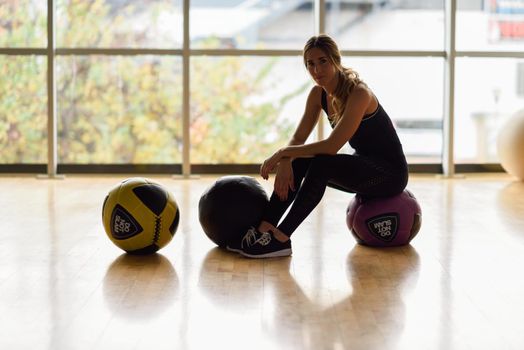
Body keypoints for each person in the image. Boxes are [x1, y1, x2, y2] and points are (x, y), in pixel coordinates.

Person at [231, 34, 408, 258]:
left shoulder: (360, 93)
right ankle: (263, 229)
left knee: (323, 163)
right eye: (310, 64)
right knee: (306, 159)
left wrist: (282, 153)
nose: (316, 70)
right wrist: (286, 161)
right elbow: (298, 138)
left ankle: (281, 238)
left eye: (322, 61)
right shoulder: (318, 95)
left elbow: (332, 145)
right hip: (364, 165)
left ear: (335, 60)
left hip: (390, 174)